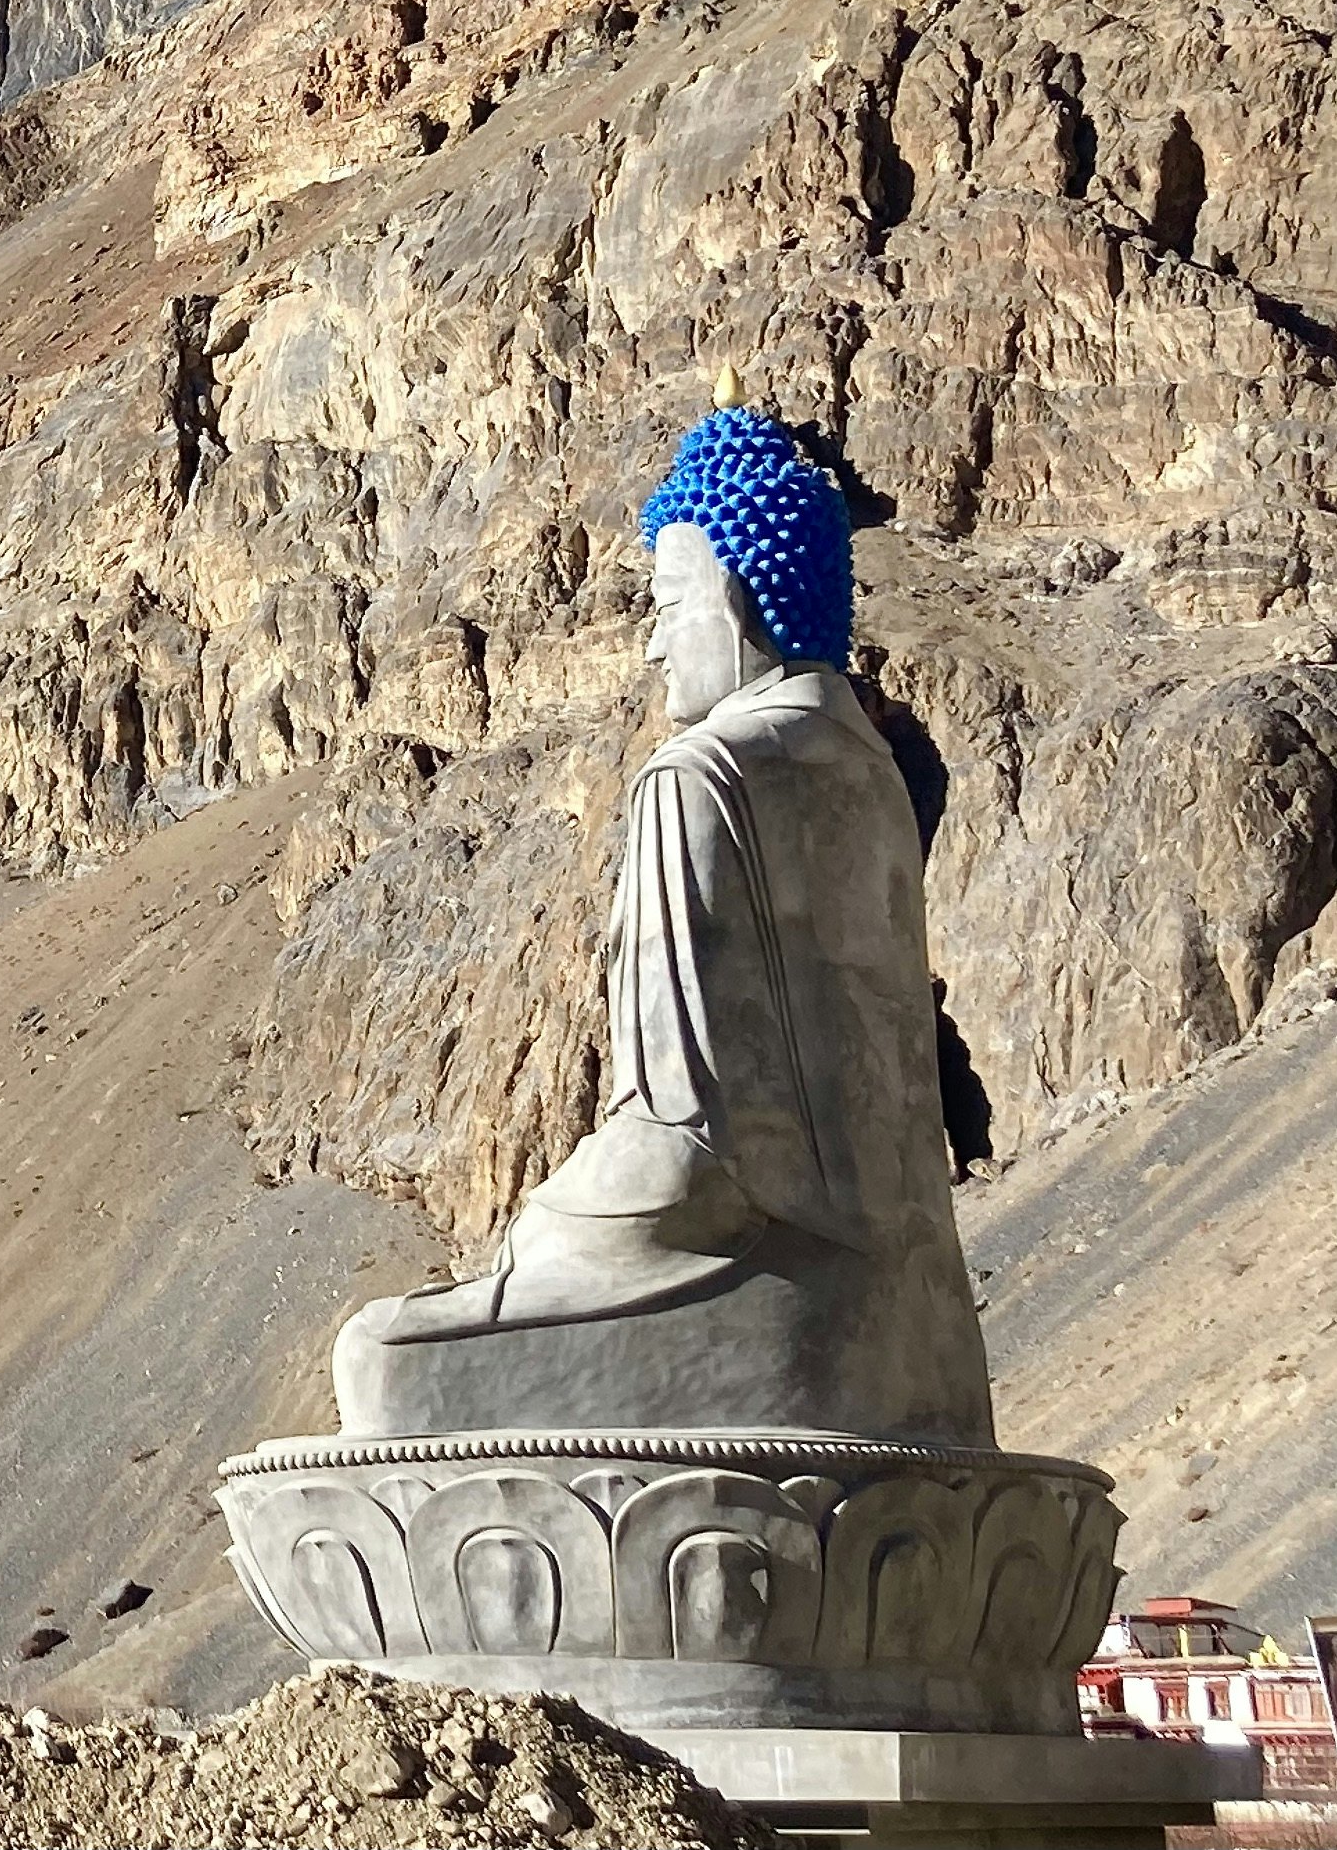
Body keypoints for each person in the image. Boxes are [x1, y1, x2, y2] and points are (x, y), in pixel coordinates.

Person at [332, 397, 994, 1441]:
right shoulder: (875, 780)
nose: (651, 643)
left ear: (733, 599)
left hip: (774, 1320)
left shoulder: (700, 777)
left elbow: (677, 1146)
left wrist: (529, 1239)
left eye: (665, 600)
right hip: (923, 1339)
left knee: (379, 1356)